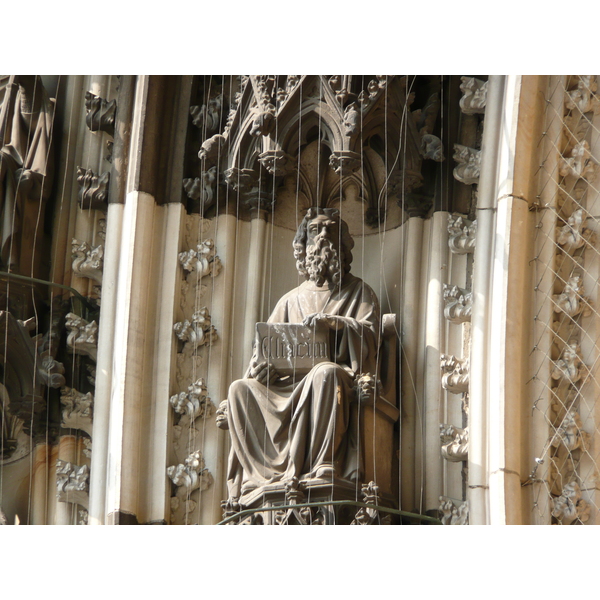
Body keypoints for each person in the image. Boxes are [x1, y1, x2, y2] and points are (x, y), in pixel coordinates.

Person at [218, 207, 380, 504]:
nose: (322, 237)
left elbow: (370, 336)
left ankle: (323, 464)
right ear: (303, 248)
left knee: (325, 373)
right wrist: (260, 372)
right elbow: (261, 353)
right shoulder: (289, 300)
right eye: (315, 231)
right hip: (285, 387)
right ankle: (262, 477)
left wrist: (335, 323)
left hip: (330, 383)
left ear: (343, 246)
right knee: (239, 390)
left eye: (330, 230)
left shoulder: (359, 292)